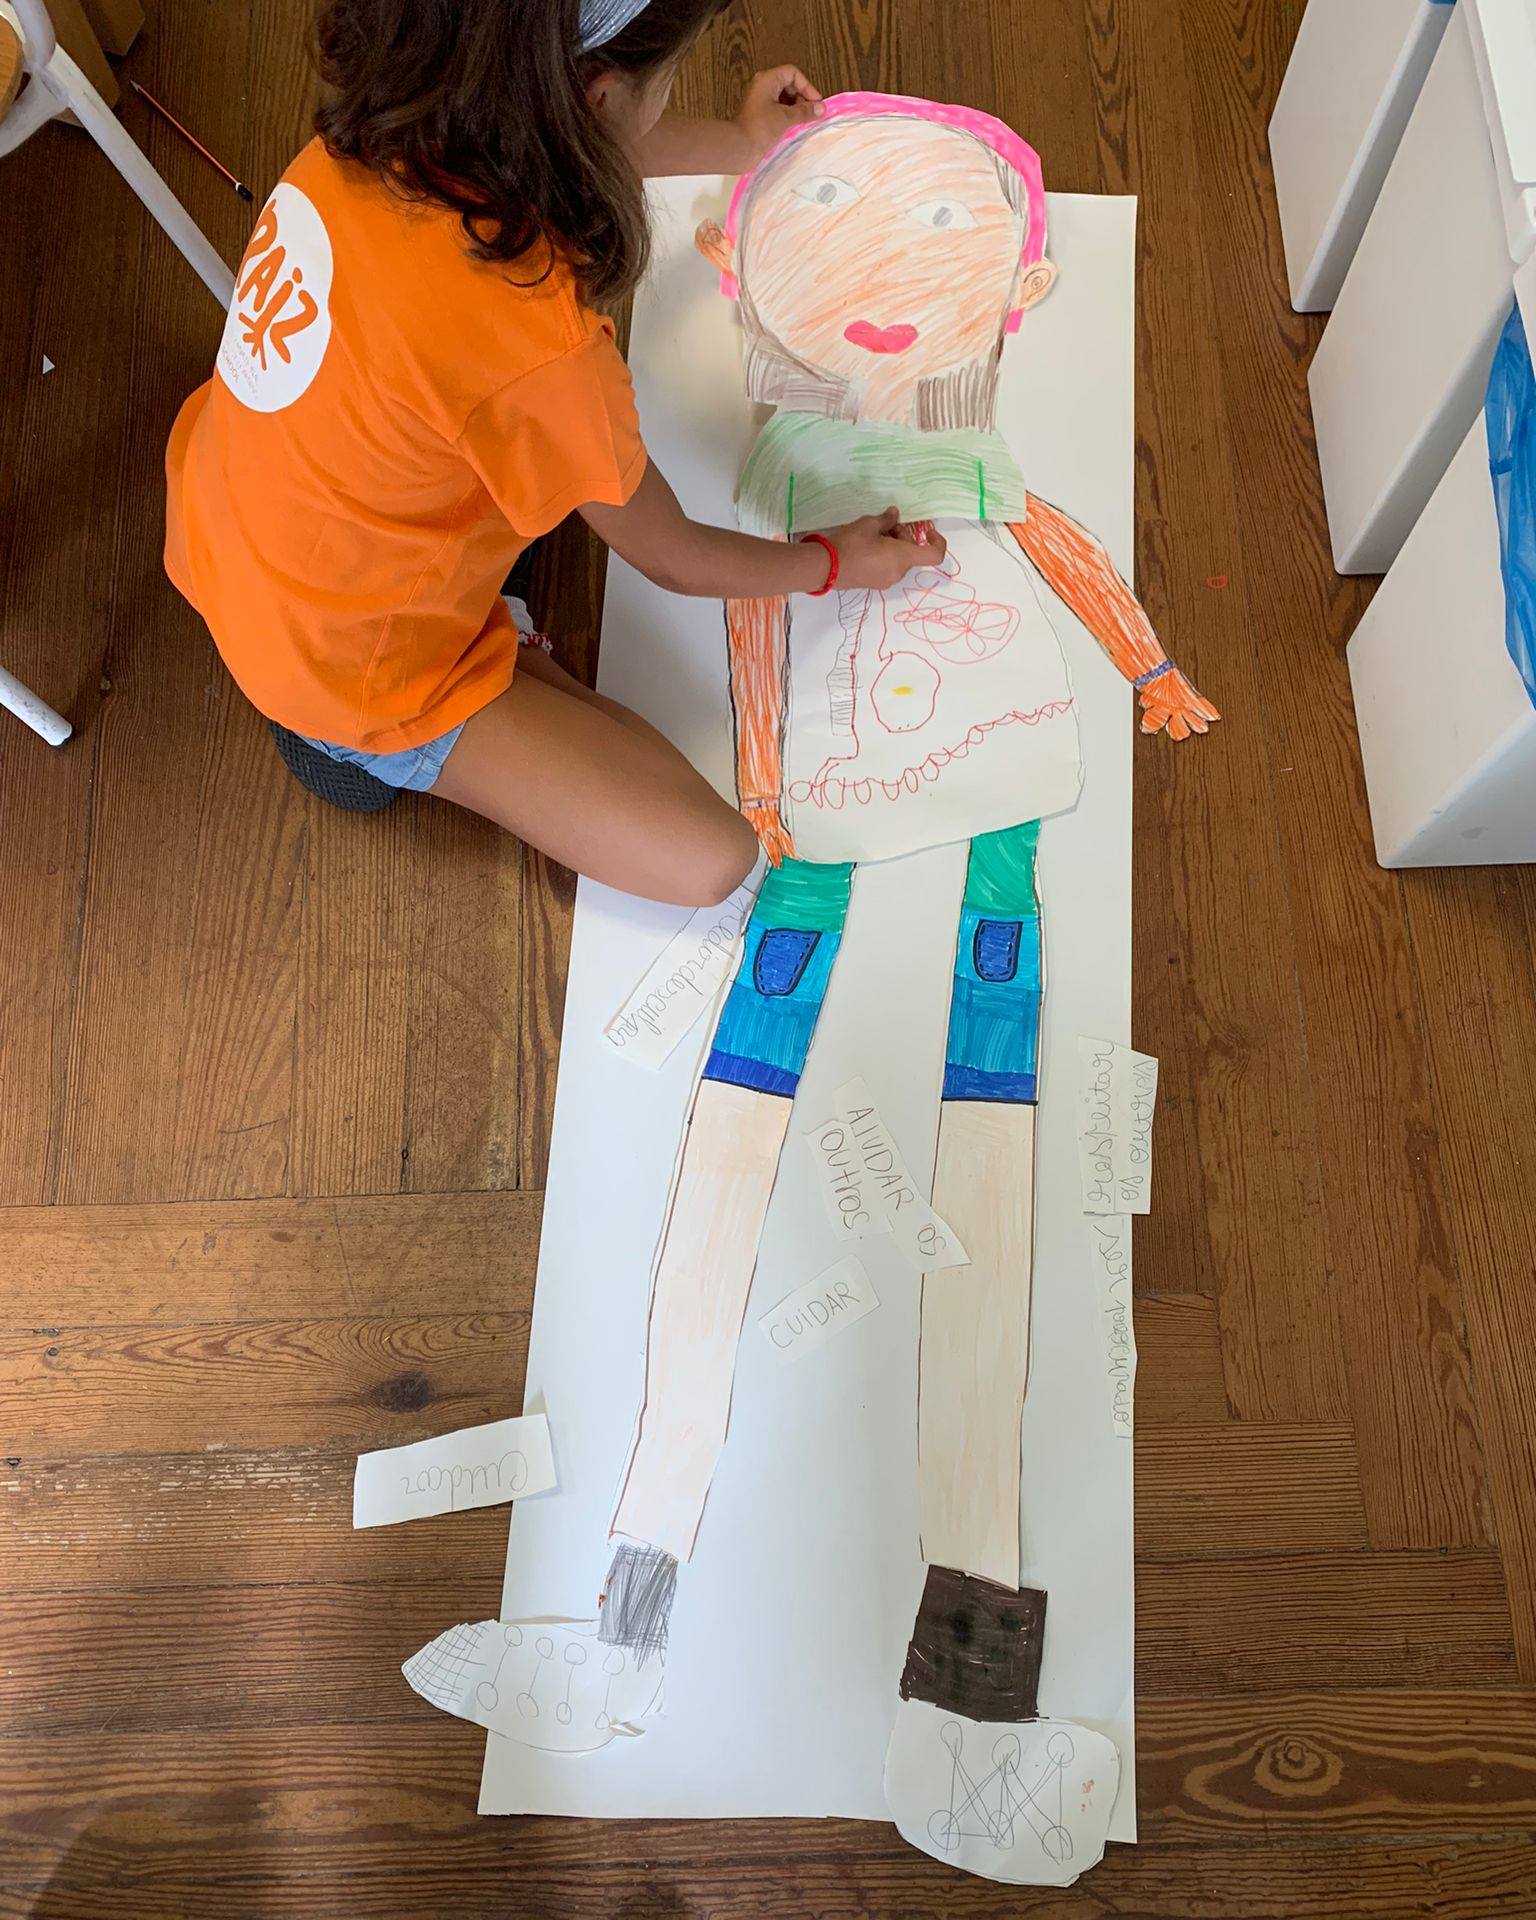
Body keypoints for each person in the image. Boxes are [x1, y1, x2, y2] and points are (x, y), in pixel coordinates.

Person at [164, 0, 936, 906]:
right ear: (597, 99)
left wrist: (742, 142)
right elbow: (677, 559)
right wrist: (836, 561)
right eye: (666, 81)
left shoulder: (382, 132)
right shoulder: (540, 349)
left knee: (525, 494)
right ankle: (363, 742)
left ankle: (475, 652)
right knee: (714, 860)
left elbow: (576, 135)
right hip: (344, 670)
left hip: (225, 522)